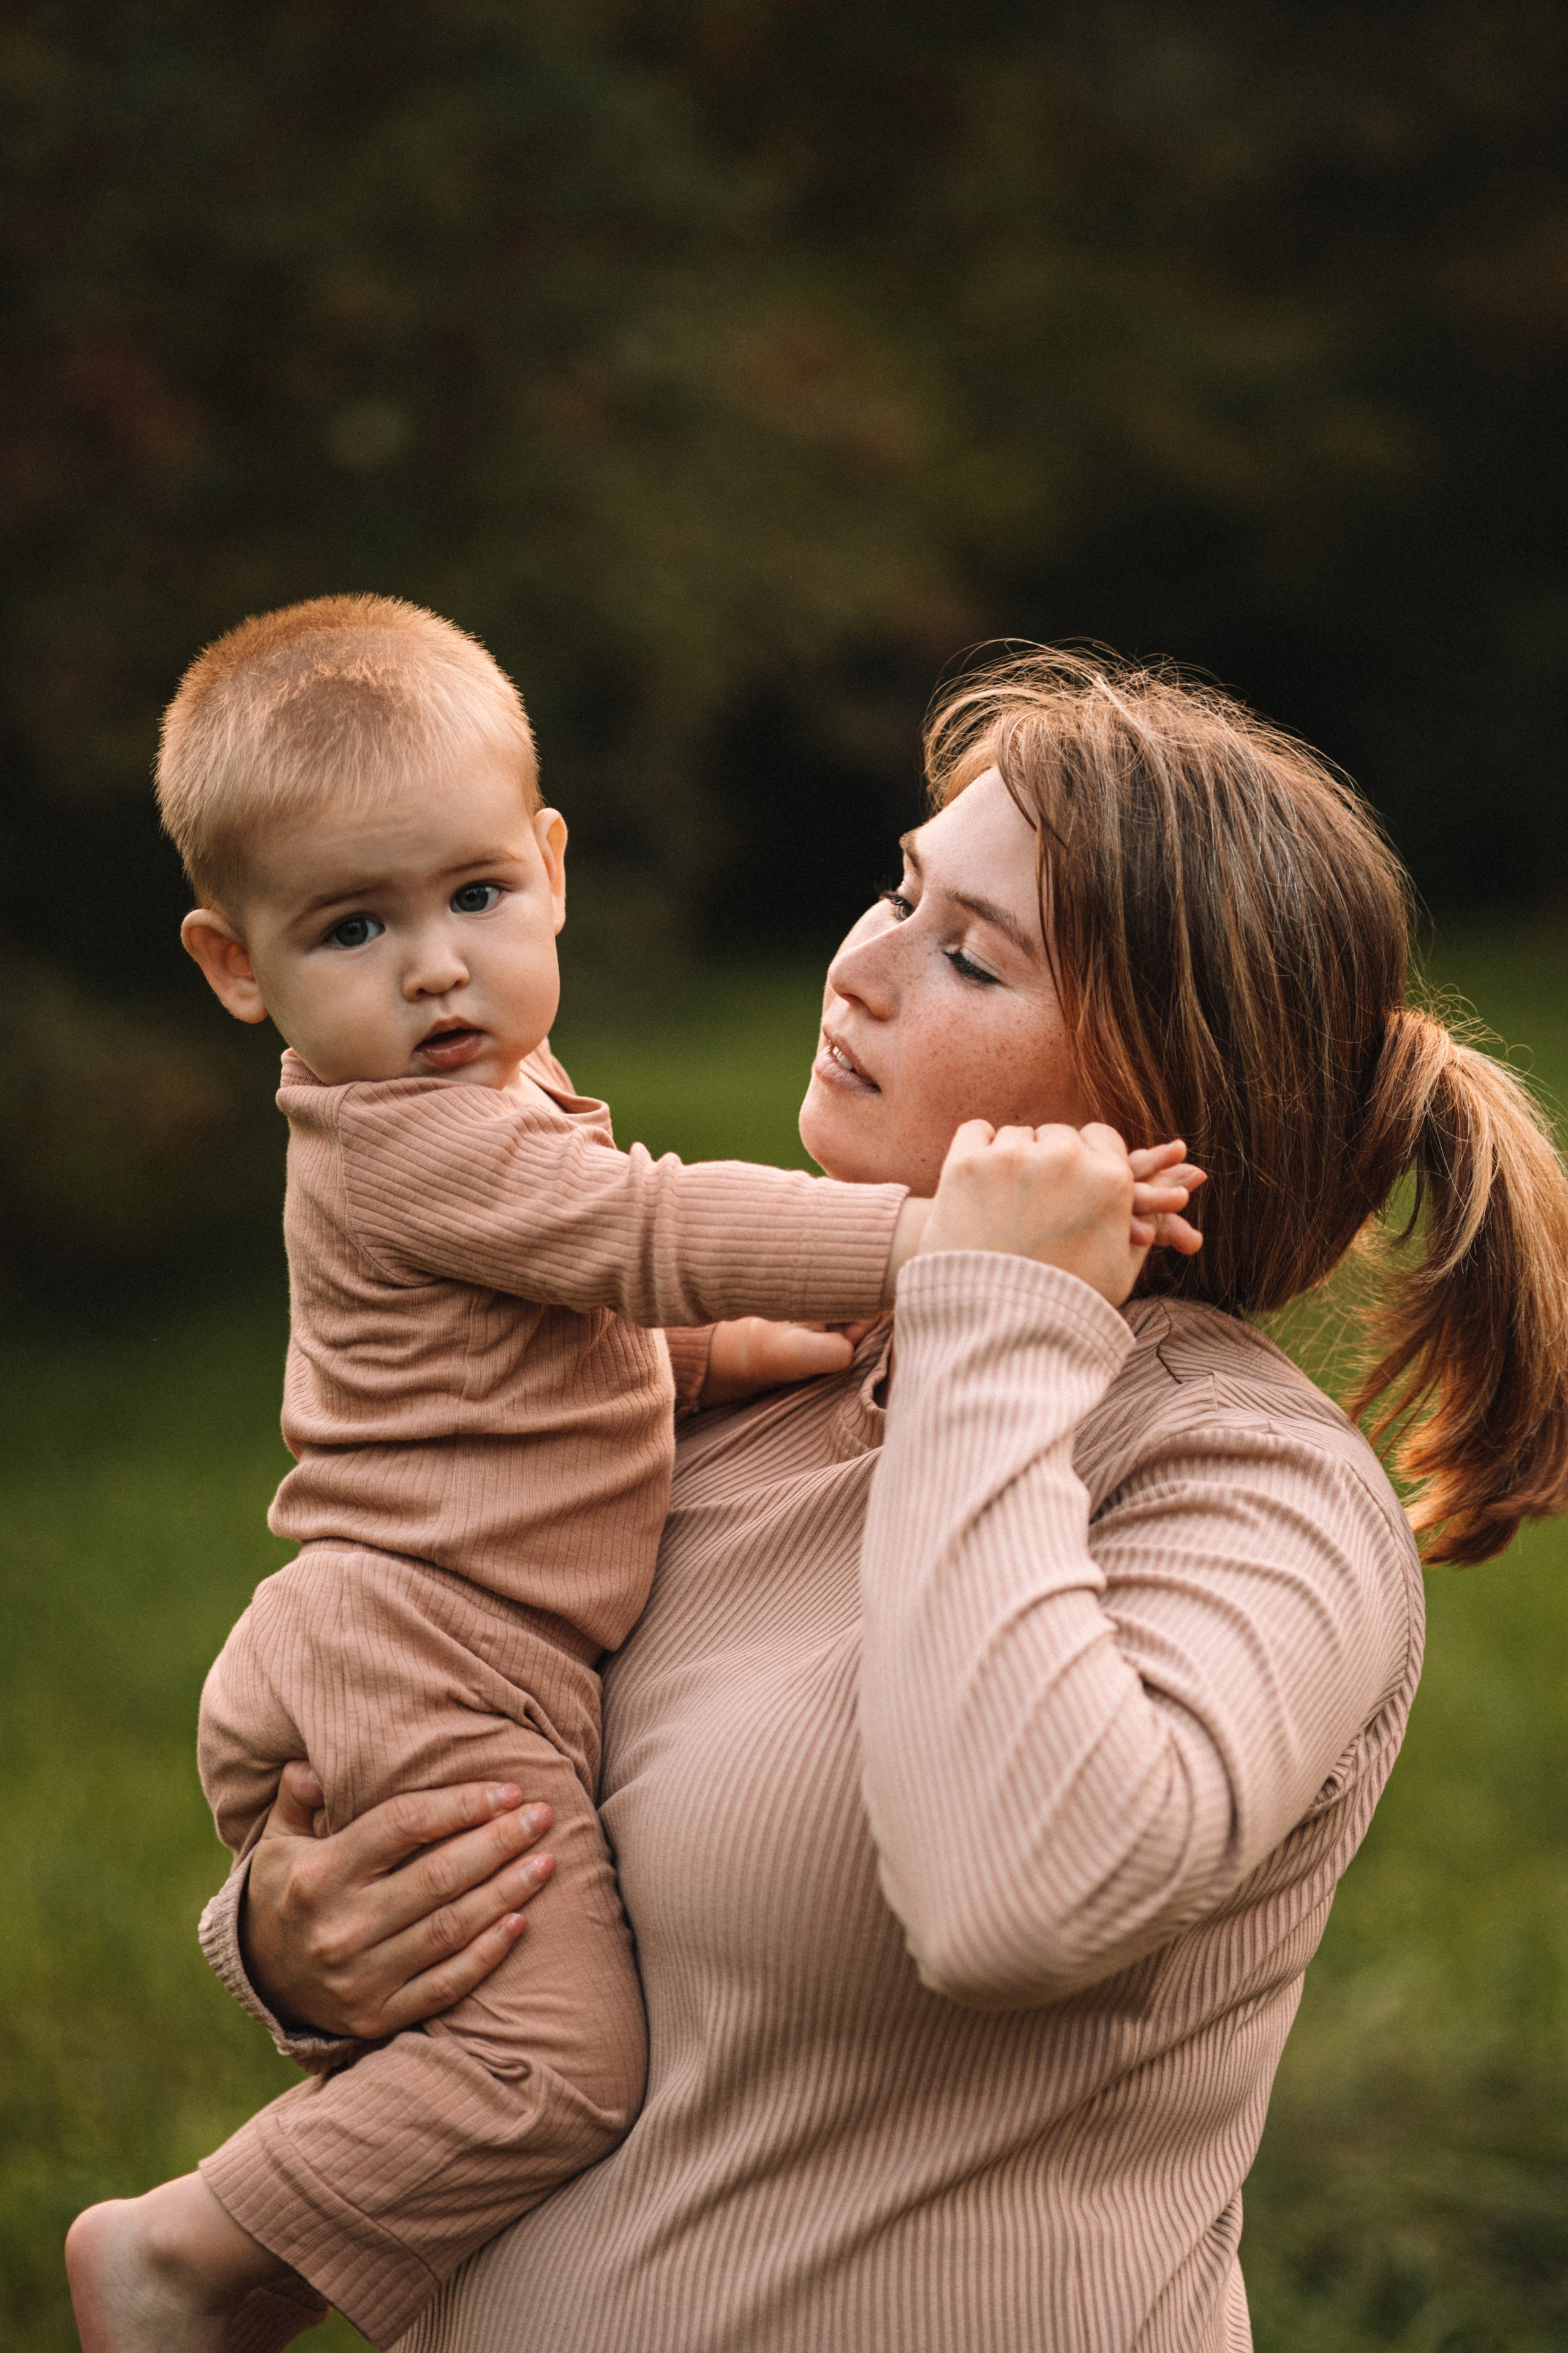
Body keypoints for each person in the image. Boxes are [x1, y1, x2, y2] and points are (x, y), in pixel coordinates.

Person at [183, 651, 1568, 2351]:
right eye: (900, 889)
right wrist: (286, 1939)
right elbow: (474, 1763)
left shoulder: (1251, 1487)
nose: (858, 964)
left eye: (968, 951)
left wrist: (998, 1311)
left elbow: (1022, 1894)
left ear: (1165, 1089)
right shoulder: (755, 1391)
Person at [63, 597, 1208, 2353]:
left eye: (474, 899)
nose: (435, 966)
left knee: (517, 2032)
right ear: (236, 969)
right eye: (354, 927)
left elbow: (591, 1342)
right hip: (428, 1641)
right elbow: (655, 1231)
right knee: (555, 2059)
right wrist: (951, 1248)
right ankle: (195, 2254)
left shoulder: (497, 1091)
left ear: (552, 865)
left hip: (455, 1632)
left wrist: (767, 1349)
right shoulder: (410, 1136)